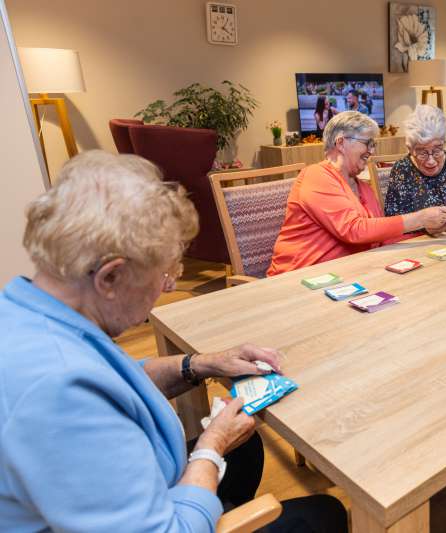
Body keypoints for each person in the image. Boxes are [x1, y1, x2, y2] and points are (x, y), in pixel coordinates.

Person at [0, 150, 347, 532]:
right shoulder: (56, 393)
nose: (166, 288)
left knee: (245, 448)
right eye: (164, 275)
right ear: (110, 277)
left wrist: (200, 364)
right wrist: (211, 446)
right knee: (322, 515)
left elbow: (117, 377)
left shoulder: (32, 312)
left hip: (133, 488)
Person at [268, 111, 446, 276]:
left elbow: (381, 237)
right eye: (368, 143)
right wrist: (421, 218)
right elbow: (354, 230)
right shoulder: (316, 176)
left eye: (374, 145)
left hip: (347, 275)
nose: (371, 151)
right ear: (341, 142)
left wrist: (427, 232)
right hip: (299, 278)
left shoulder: (363, 187)